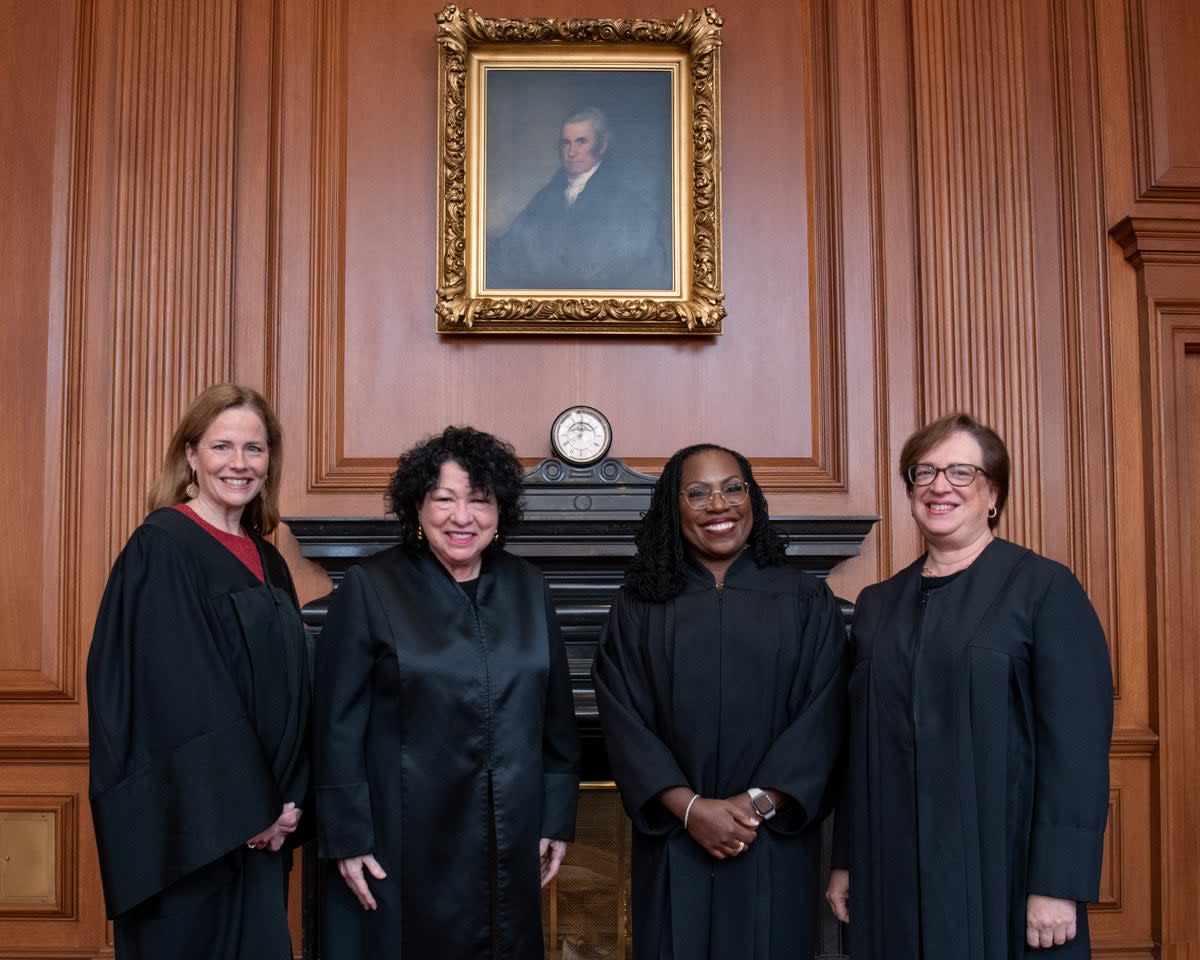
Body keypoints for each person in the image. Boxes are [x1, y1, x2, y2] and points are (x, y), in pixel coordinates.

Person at [825, 412, 1114, 958]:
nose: (939, 486)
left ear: (993, 493)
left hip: (1003, 864)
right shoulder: (877, 606)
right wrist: (847, 859)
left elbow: (1074, 752)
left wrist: (1058, 883)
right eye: (924, 471)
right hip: (893, 867)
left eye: (960, 472)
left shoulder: (1045, 590)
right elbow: (859, 749)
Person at [314, 425, 580, 959]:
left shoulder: (530, 586)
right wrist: (348, 837)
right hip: (402, 835)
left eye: (479, 500)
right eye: (445, 500)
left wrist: (555, 817)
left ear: (500, 510)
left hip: (510, 830)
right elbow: (335, 724)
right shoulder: (371, 587)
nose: (463, 517)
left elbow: (557, 719)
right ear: (417, 505)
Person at [592, 443, 848, 959]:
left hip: (771, 841)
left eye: (734, 488)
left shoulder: (803, 598)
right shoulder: (640, 605)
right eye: (698, 492)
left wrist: (755, 805)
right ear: (673, 506)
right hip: (674, 839)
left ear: (753, 498)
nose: (719, 505)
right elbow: (623, 717)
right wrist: (689, 809)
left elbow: (825, 713)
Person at [87, 384, 310, 958]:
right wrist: (249, 806)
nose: (239, 464)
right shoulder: (162, 547)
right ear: (190, 455)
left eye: (255, 450)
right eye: (222, 446)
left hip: (265, 824)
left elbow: (294, 689)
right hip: (196, 830)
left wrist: (290, 800)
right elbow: (178, 692)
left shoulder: (268, 559)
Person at [487, 106, 671, 290]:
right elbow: (510, 251)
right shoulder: (546, 196)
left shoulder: (627, 203)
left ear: (602, 146)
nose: (571, 152)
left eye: (581, 142)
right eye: (566, 143)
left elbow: (639, 270)